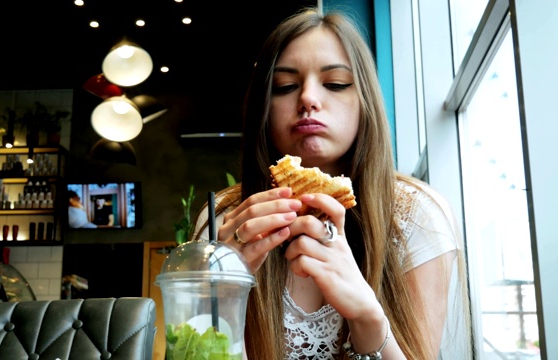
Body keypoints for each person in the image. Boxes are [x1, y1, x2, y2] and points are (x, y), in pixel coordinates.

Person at [193, 7, 471, 359]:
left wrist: (367, 317)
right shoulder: (225, 221)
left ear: (365, 101)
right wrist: (224, 290)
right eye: (285, 86)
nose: (308, 98)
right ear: (264, 106)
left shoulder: (414, 215)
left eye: (335, 83)